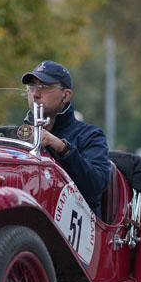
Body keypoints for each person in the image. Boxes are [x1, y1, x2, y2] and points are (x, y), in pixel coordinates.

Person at [21, 61, 111, 218]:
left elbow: (96, 186)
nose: (35, 94)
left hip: (79, 226)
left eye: (44, 87)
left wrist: (62, 148)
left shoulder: (90, 135)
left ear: (66, 95)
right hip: (26, 219)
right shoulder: (19, 135)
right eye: (31, 87)